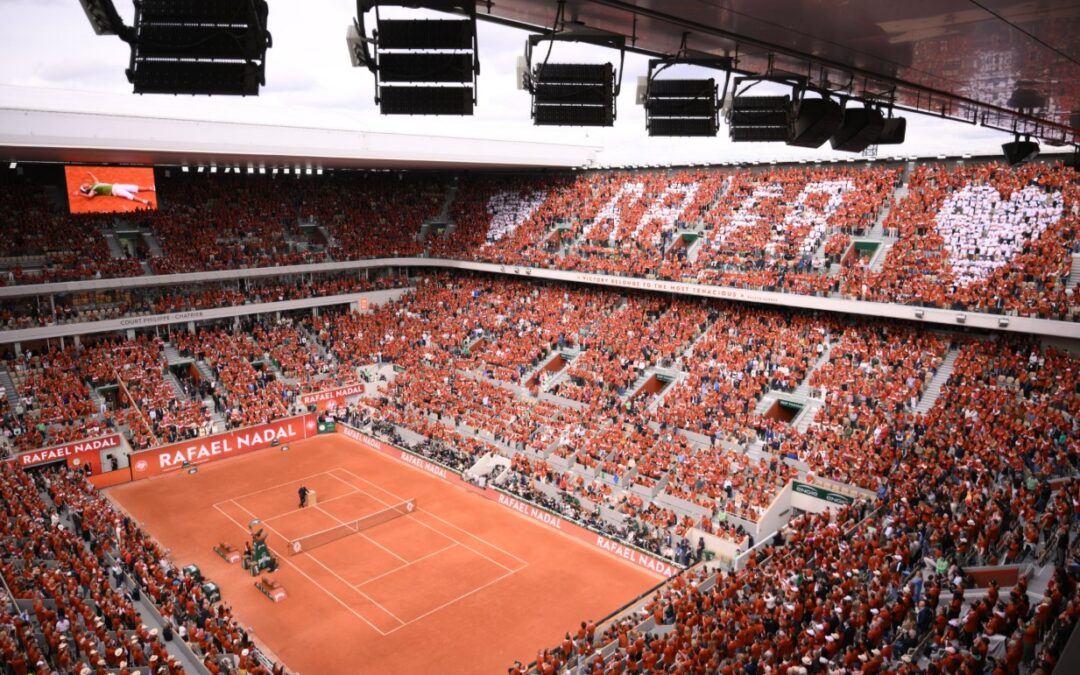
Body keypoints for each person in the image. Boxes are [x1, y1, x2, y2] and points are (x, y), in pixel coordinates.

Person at [75, 171, 155, 206]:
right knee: (129, 195)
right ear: (86, 189)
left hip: (116, 186)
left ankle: (151, 188)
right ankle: (145, 201)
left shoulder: (94, 185)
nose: (84, 183)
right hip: (115, 191)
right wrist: (79, 194)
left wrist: (90, 174)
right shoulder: (93, 190)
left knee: (134, 187)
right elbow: (89, 196)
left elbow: (95, 179)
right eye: (84, 185)